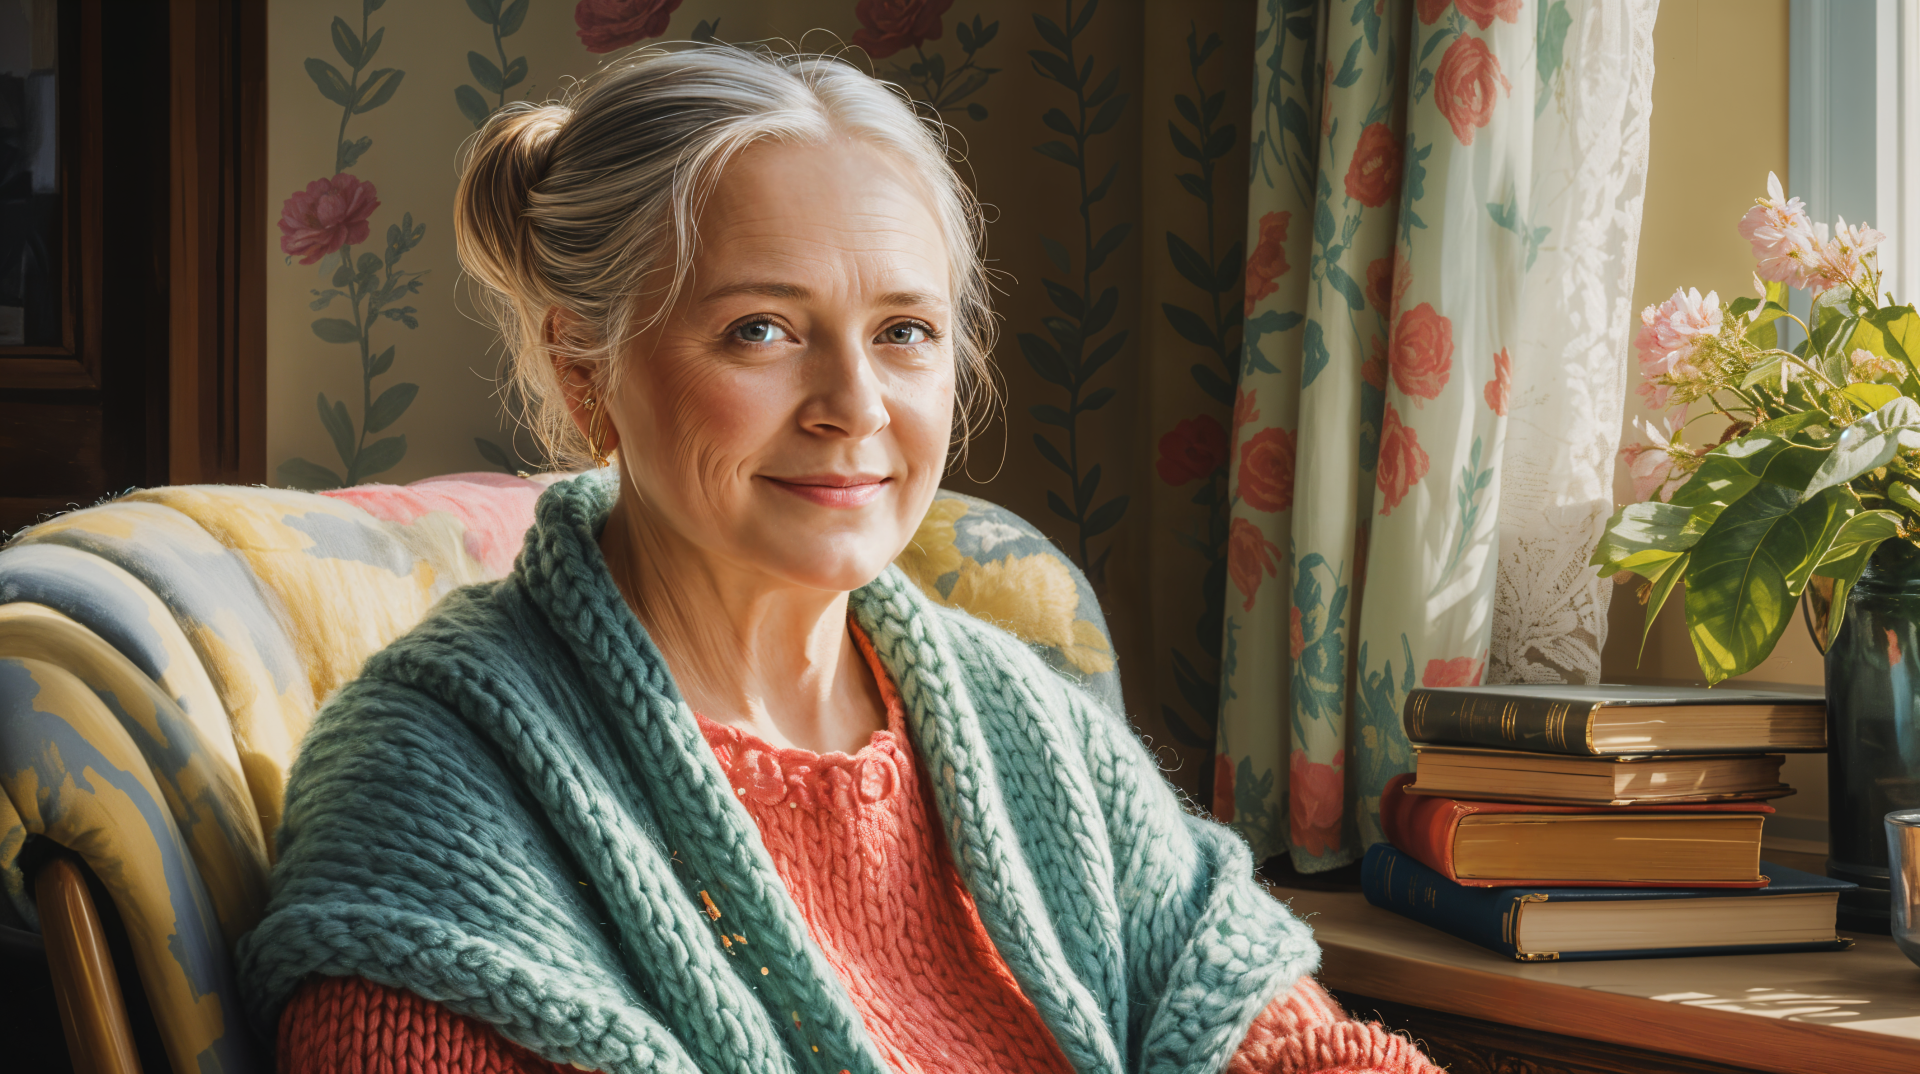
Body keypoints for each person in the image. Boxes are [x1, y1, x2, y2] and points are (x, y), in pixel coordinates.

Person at [237, 44, 1439, 1074]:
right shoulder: (432, 784)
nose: (855, 405)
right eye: (761, 330)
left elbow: (1294, 1048)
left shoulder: (1029, 729)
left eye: (904, 331)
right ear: (583, 367)